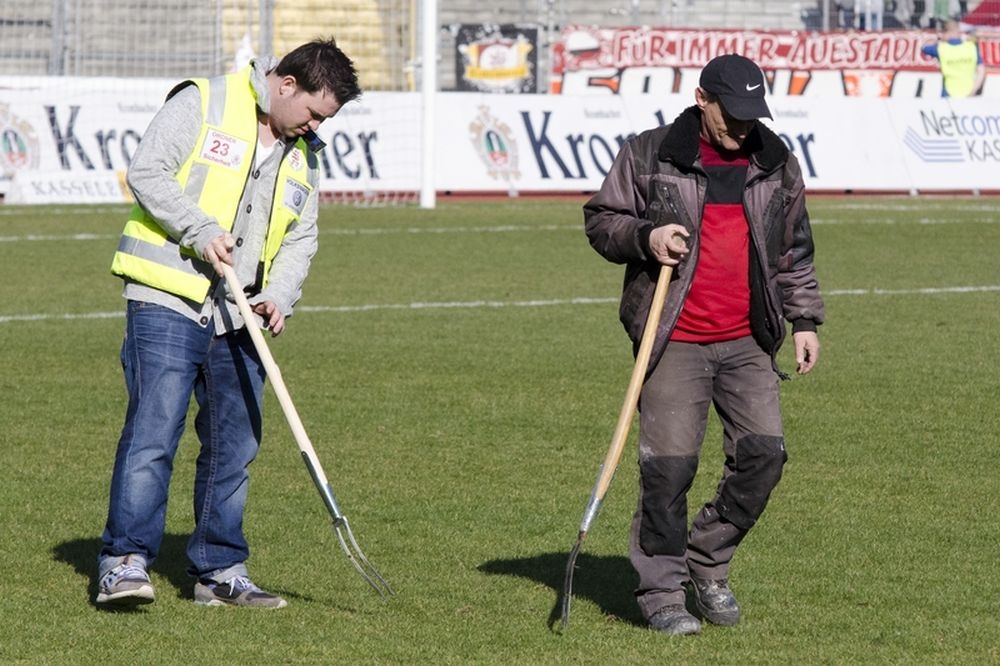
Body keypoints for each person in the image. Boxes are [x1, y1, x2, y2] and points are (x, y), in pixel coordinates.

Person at [96, 38, 361, 609]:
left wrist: (281, 295)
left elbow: (301, 235)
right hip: (167, 295)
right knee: (153, 433)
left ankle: (219, 570)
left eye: (325, 120)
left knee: (234, 445)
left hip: (239, 313)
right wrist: (199, 228)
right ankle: (123, 561)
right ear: (286, 84)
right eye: (314, 113)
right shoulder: (203, 101)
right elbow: (147, 172)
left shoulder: (303, 150)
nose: (315, 128)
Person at [583, 54, 824, 636]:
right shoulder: (650, 153)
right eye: (731, 115)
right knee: (668, 471)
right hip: (675, 339)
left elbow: (793, 248)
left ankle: (707, 560)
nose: (742, 128)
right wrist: (646, 235)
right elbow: (601, 220)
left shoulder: (775, 161)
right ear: (701, 98)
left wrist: (805, 319)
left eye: (751, 116)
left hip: (748, 338)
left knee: (765, 457)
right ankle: (662, 592)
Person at [921, 20, 986, 97]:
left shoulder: (941, 48)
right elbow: (981, 71)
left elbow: (924, 47)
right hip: (969, 94)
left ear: (946, 32)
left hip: (948, 94)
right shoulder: (971, 47)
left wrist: (939, 38)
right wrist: (973, 90)